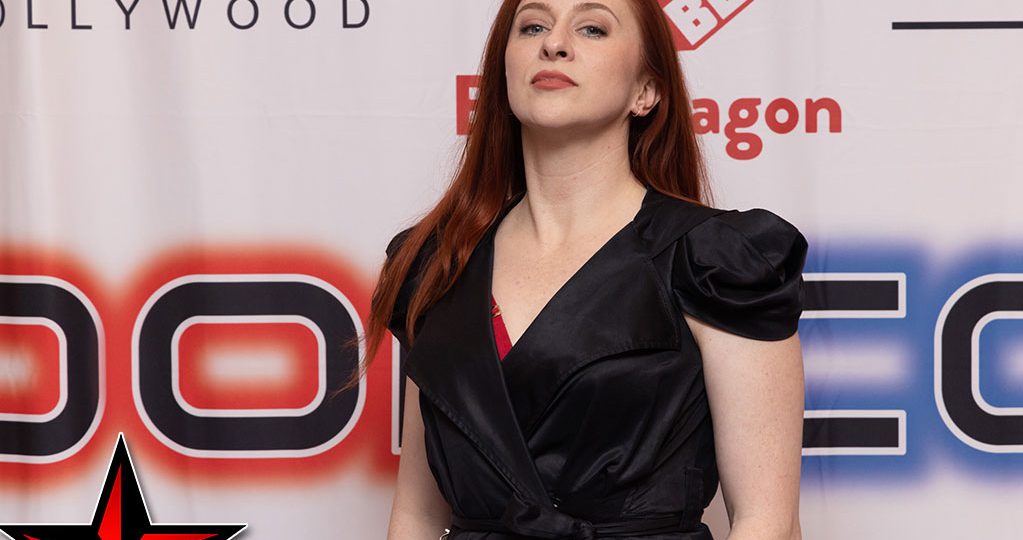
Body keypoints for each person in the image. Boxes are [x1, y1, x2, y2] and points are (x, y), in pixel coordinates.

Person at [358, 1, 807, 538]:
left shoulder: (715, 260)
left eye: (592, 28)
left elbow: (768, 522)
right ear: (503, 73)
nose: (554, 43)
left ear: (646, 91)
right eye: (533, 26)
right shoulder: (437, 264)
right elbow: (416, 516)